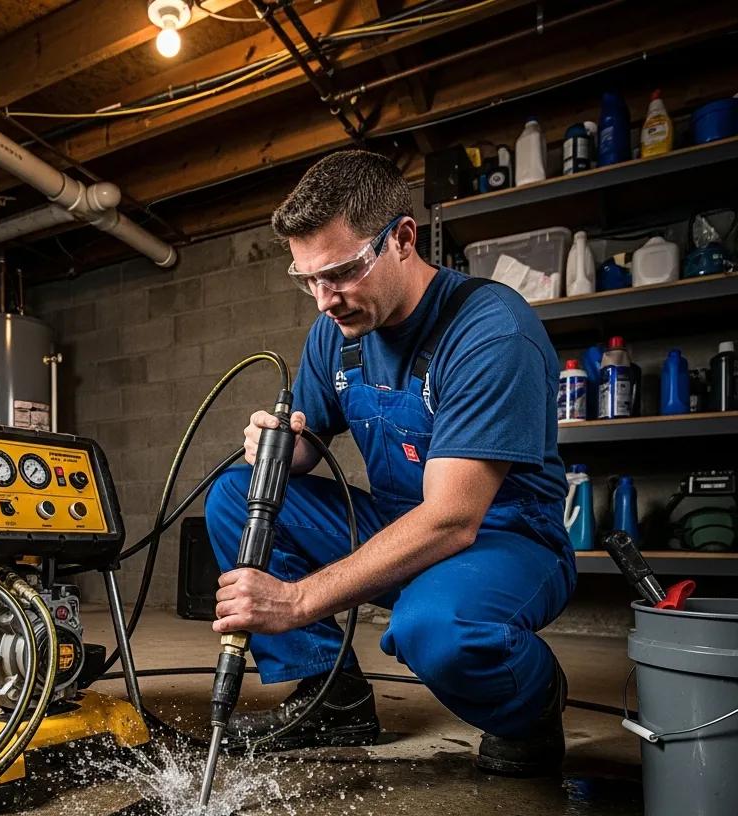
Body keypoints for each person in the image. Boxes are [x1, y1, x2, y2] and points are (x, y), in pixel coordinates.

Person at [203, 150, 576, 776]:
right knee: (235, 495)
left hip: (501, 537)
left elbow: (453, 520)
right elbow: (308, 440)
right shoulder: (338, 330)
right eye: (308, 279)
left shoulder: (490, 331)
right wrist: (277, 447)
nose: (324, 300)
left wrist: (295, 602)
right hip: (396, 520)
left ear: (403, 239)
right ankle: (333, 697)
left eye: (342, 272)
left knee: (436, 627)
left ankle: (530, 707)